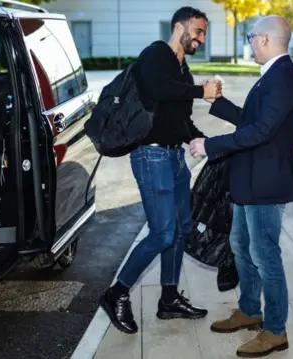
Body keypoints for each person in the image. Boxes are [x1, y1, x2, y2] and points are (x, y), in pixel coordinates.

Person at [99, 7, 222, 334]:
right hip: (151, 157)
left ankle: (168, 299)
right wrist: (200, 91)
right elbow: (156, 89)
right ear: (179, 27)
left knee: (182, 228)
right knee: (162, 232)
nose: (201, 38)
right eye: (198, 30)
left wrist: (208, 143)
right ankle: (116, 293)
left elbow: (179, 120)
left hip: (174, 159)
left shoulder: (183, 70)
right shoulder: (156, 54)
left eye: (204, 33)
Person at [189, 15, 293, 357]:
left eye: (252, 37)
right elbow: (253, 122)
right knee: (241, 245)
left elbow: (260, 132)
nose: (250, 42)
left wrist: (209, 146)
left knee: (265, 255)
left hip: (266, 184)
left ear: (266, 40)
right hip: (250, 179)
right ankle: (251, 309)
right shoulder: (271, 75)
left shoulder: (283, 76)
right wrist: (219, 105)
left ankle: (275, 330)